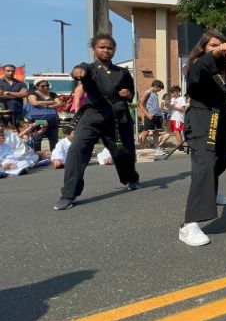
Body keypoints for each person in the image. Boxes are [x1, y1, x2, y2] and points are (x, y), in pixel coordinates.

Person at [53, 34, 141, 210]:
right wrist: (77, 71)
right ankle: (69, 194)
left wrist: (127, 94)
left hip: (117, 117)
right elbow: (80, 70)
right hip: (93, 116)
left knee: (123, 153)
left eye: (110, 48)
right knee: (77, 149)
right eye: (102, 47)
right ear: (94, 49)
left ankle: (131, 178)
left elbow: (131, 92)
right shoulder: (90, 69)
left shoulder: (122, 72)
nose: (106, 50)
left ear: (114, 50)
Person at [178, 29, 226, 246]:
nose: (217, 49)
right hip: (201, 118)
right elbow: (197, 77)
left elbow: (220, 92)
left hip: (219, 117)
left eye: (220, 45)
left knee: (220, 161)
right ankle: (189, 224)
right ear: (203, 47)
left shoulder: (224, 71)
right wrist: (215, 53)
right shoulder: (196, 65)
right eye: (212, 45)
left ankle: (211, 191)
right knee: (205, 163)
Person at [26, 79, 62, 151]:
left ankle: (54, 156)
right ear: (37, 86)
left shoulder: (52, 94)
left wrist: (46, 105)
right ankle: (38, 156)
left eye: (47, 85)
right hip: (39, 120)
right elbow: (34, 103)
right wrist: (51, 102)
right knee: (37, 139)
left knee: (54, 139)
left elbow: (60, 103)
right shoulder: (32, 93)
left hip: (52, 119)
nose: (46, 87)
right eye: (43, 86)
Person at [138, 79, 166, 155]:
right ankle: (142, 147)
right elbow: (140, 104)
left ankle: (156, 148)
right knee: (146, 131)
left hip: (158, 115)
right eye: (160, 88)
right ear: (156, 86)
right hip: (150, 115)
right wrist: (147, 114)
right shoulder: (148, 92)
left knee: (156, 132)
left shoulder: (155, 94)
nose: (160, 90)